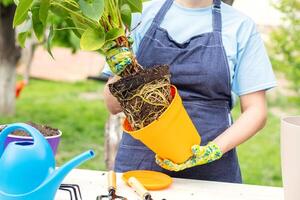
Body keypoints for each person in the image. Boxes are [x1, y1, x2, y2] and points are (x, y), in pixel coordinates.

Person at [102, 0, 277, 183]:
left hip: (211, 170)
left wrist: (213, 150)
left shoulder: (240, 26)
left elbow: (256, 110)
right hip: (141, 168)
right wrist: (120, 73)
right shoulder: (139, 16)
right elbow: (112, 106)